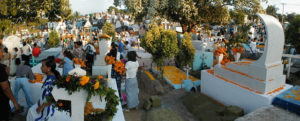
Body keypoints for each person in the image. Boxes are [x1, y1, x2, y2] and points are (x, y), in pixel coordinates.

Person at [27, 56, 69, 121]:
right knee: (31, 111)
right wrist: (39, 101)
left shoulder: (51, 81)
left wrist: (41, 107)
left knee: (33, 113)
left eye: (43, 66)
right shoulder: (49, 77)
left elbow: (53, 97)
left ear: (49, 68)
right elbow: (45, 93)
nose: (41, 67)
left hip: (48, 108)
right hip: (44, 104)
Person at [0, 46, 20, 121]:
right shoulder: (1, 68)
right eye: (1, 51)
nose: (2, 54)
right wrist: (14, 102)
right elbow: (5, 88)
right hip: (2, 104)